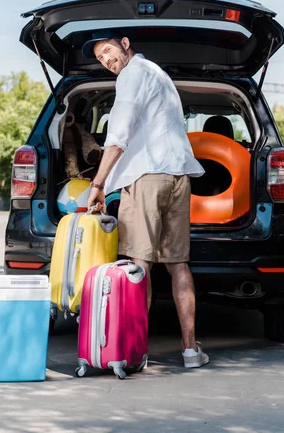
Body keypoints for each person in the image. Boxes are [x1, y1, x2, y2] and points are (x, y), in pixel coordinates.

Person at [82, 31, 209, 369]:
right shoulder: (158, 74)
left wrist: (98, 183)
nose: (107, 61)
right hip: (179, 176)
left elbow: (119, 134)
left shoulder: (131, 75)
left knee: (139, 266)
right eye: (101, 59)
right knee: (178, 264)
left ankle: (134, 352)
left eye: (109, 51)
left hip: (146, 176)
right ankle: (190, 351)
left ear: (125, 44)